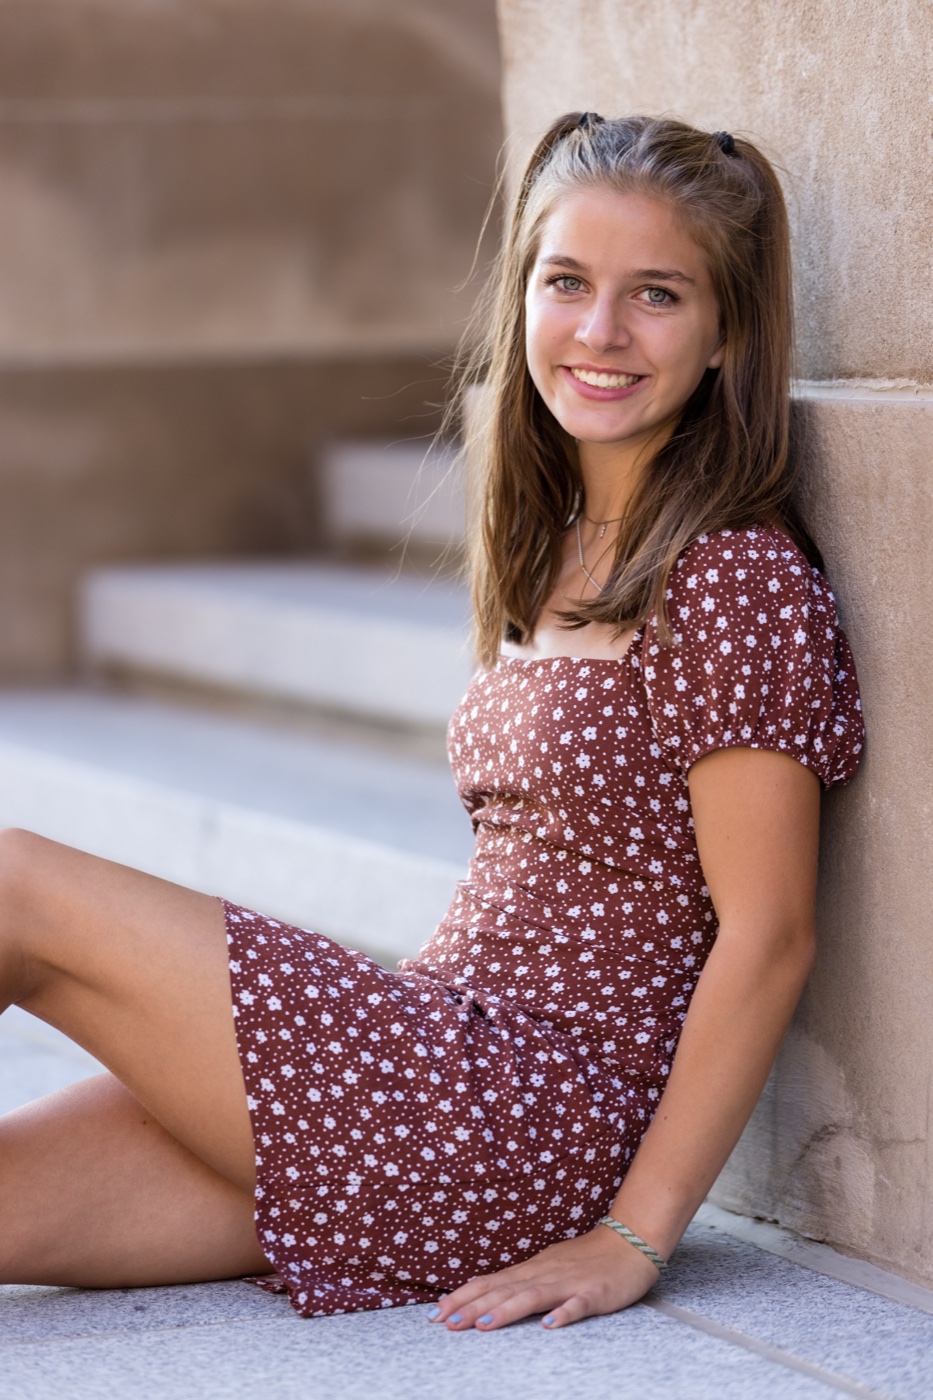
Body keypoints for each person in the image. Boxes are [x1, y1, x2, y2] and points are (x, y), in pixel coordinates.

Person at [0, 113, 862, 1332]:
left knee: (15, 883)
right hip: (429, 1057)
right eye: (568, 282)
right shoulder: (558, 546)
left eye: (657, 295)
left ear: (727, 334)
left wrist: (633, 1233)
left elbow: (770, 933)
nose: (601, 331)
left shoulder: (731, 575)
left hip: (519, 1114)